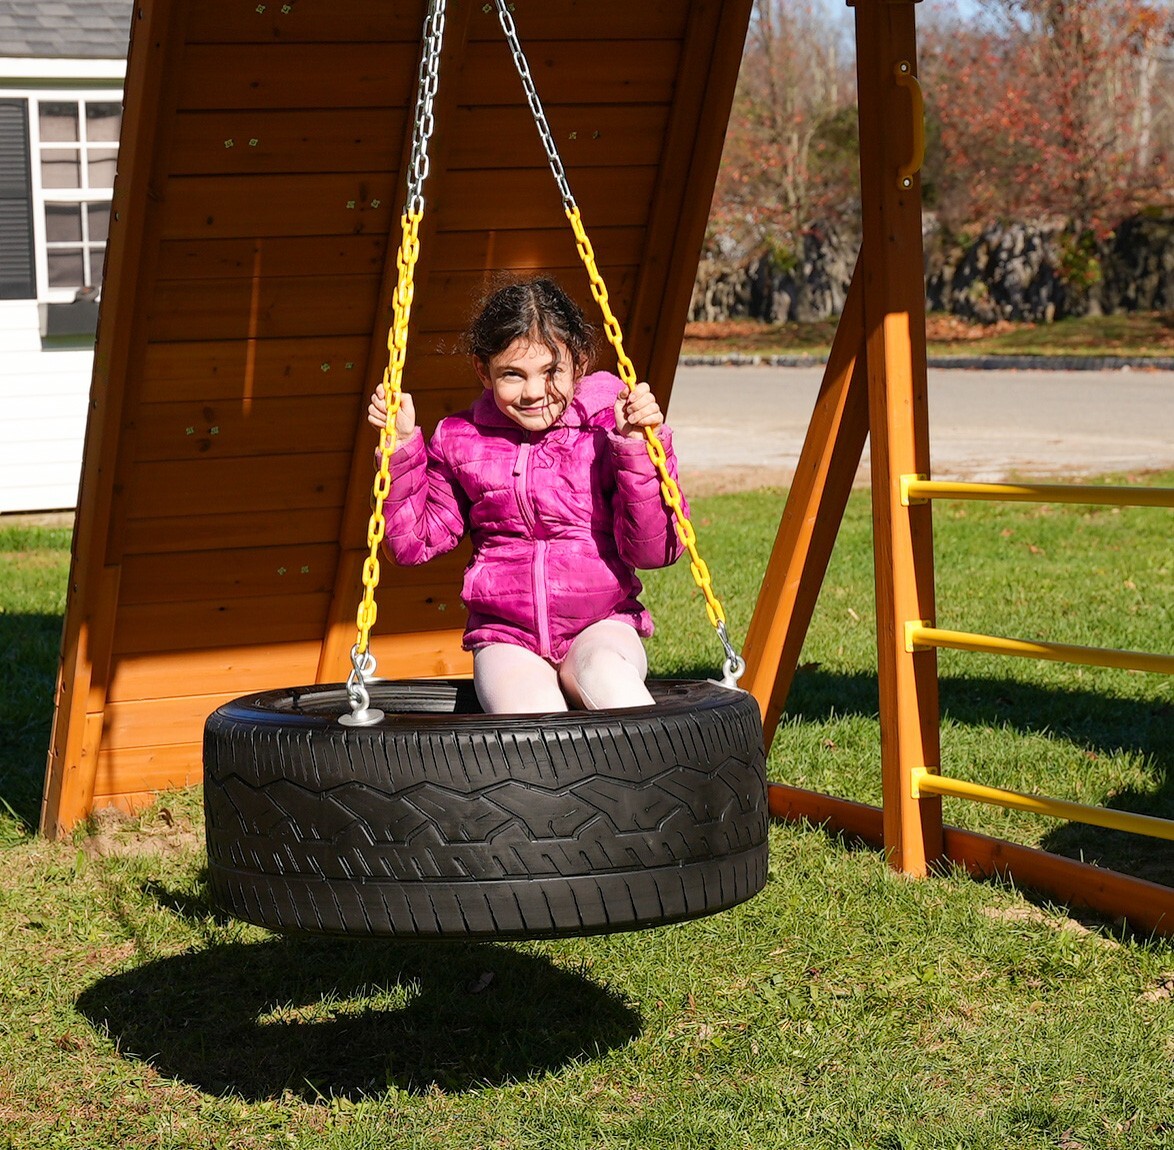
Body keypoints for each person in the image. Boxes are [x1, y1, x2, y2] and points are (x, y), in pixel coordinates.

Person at [366, 277, 687, 714]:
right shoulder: (461, 440)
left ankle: (658, 760)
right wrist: (402, 448)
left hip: (602, 623)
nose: (534, 392)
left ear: (580, 363)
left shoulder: (607, 432)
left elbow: (655, 550)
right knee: (529, 716)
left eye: (552, 372)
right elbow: (410, 544)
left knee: (606, 678)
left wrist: (636, 448)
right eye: (512, 374)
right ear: (484, 371)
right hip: (505, 635)